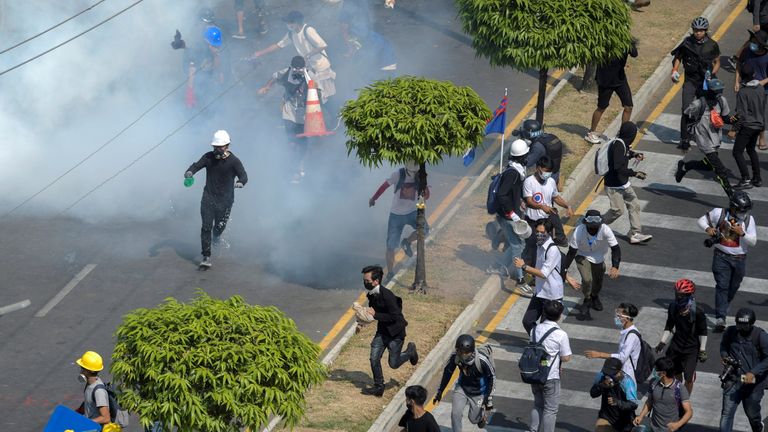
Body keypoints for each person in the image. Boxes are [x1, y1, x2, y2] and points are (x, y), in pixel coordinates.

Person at [184, 130, 248, 269]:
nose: (217, 150)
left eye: (220, 147)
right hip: (208, 198)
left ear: (227, 146)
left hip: (226, 200)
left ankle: (217, 237)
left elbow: (243, 176)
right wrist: (189, 173)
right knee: (206, 226)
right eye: (215, 147)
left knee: (219, 227)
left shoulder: (234, 161)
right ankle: (206, 256)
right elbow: (195, 166)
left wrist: (240, 183)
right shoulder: (208, 157)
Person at [697, 191, 757, 332]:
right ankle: (720, 318)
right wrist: (708, 228)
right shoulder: (719, 213)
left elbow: (753, 241)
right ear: (733, 207)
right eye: (741, 210)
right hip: (721, 257)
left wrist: (742, 233)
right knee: (722, 286)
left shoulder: (749, 220)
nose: (743, 213)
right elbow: (701, 220)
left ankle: (723, 304)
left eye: (745, 210)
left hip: (740, 259)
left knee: (734, 286)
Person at [251, 11, 336, 104]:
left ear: (297, 22)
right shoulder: (291, 34)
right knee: (312, 95)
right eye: (287, 22)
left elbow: (322, 45)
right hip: (308, 68)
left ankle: (338, 113)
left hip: (321, 67)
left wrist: (307, 55)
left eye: (290, 22)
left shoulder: (308, 30)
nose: (288, 24)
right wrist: (259, 53)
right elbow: (278, 45)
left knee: (326, 96)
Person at [360, 265, 418, 397]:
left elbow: (395, 316)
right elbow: (372, 312)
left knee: (393, 363)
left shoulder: (387, 296)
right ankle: (379, 386)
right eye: (364, 280)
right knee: (374, 358)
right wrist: (361, 323)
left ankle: (410, 352)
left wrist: (376, 315)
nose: (365, 283)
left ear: (376, 281)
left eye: (367, 281)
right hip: (382, 332)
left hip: (395, 334)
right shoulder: (371, 294)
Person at [369, 162, 430, 281]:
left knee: (424, 230)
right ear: (407, 169)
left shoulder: (421, 176)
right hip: (396, 215)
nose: (414, 174)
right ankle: (390, 272)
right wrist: (374, 198)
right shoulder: (398, 174)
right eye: (412, 172)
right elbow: (384, 186)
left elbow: (427, 195)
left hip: (412, 211)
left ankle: (406, 242)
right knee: (390, 246)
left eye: (416, 172)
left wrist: (424, 189)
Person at [674, 78, 734, 196]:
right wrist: (684, 139)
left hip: (716, 137)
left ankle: (685, 166)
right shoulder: (698, 103)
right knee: (720, 170)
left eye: (720, 90)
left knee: (708, 165)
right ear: (710, 91)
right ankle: (732, 197)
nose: (719, 93)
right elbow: (685, 117)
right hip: (703, 138)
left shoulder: (722, 101)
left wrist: (735, 120)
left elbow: (726, 118)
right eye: (716, 91)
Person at [671, 17, 721, 151]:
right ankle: (684, 138)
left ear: (705, 30)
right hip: (690, 81)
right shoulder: (687, 43)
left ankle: (698, 132)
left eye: (700, 30)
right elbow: (678, 57)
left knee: (703, 109)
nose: (698, 33)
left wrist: (712, 74)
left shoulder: (712, 44)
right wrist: (674, 70)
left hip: (704, 82)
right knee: (686, 108)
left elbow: (717, 62)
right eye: (695, 30)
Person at [258, 56, 310, 183]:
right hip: (289, 112)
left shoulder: (310, 76)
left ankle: (299, 165)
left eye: (300, 68)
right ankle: (292, 169)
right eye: (296, 68)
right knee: (292, 142)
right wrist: (267, 87)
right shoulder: (286, 72)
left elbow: (317, 92)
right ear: (292, 67)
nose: (298, 71)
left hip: (304, 115)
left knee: (303, 144)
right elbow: (275, 76)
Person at [561, 210, 621, 320]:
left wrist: (615, 266)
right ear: (585, 224)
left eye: (596, 227)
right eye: (591, 227)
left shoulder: (606, 229)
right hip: (582, 255)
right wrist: (564, 269)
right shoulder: (579, 231)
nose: (593, 229)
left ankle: (594, 296)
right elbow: (571, 252)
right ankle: (587, 300)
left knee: (598, 281)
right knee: (587, 279)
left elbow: (616, 248)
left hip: (599, 256)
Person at [486, 139, 529, 290]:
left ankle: (499, 264)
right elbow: (503, 195)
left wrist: (520, 201)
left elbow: (511, 192)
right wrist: (512, 212)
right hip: (509, 216)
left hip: (509, 214)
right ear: (522, 156)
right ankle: (520, 279)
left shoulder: (514, 169)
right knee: (518, 245)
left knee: (517, 243)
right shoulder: (513, 173)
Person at [601, 121, 653, 244]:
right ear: (631, 134)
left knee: (634, 205)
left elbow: (624, 155)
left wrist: (634, 154)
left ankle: (635, 233)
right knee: (617, 211)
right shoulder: (618, 145)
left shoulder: (622, 143)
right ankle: (595, 224)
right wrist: (635, 173)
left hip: (623, 183)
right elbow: (618, 167)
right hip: (614, 185)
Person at [654, 279, 708, 395]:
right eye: (677, 294)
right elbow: (669, 325)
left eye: (681, 295)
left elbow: (703, 332)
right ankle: (677, 393)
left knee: (689, 378)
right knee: (674, 371)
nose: (678, 297)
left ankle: (685, 398)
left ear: (689, 295)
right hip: (676, 345)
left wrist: (702, 350)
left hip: (692, 348)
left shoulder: (697, 311)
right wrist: (662, 342)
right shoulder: (673, 307)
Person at [719, 308, 768, 432]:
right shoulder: (730, 332)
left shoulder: (760, 336)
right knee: (726, 414)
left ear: (751, 324)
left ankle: (758, 427)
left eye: (745, 326)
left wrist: (753, 372)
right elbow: (723, 346)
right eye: (739, 324)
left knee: (752, 414)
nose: (741, 328)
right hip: (733, 380)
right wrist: (725, 356)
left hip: (754, 383)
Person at [433, 334, 495, 431]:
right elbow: (448, 373)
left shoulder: (482, 361)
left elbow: (492, 377)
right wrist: (440, 391)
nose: (461, 355)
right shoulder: (455, 357)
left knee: (473, 419)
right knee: (455, 414)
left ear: (471, 352)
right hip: (462, 388)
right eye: (459, 351)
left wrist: (488, 397)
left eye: (465, 353)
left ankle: (482, 416)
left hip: (479, 392)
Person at [514, 219, 564, 334]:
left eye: (542, 233)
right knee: (527, 321)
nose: (539, 235)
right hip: (539, 292)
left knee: (546, 328)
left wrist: (524, 266)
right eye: (537, 232)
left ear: (549, 233)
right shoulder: (539, 245)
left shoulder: (552, 250)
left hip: (552, 296)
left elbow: (543, 273)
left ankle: (542, 344)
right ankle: (537, 340)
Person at [528, 301, 572, 432]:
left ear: (544, 314)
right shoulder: (561, 334)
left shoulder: (534, 330)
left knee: (538, 405)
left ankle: (533, 430)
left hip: (535, 373)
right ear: (559, 316)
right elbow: (566, 357)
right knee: (550, 410)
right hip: (551, 376)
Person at [585, 39, 638, 144]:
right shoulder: (605, 39)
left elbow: (634, 54)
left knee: (629, 106)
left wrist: (629, 42)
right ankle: (591, 133)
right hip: (605, 80)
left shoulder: (625, 42)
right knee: (602, 107)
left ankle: (623, 134)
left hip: (620, 79)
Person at [522, 156, 573, 256]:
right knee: (533, 245)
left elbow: (556, 197)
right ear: (538, 168)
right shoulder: (529, 182)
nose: (547, 174)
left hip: (547, 218)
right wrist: (541, 207)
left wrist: (568, 206)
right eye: (546, 171)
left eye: (550, 172)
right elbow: (528, 201)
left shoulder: (551, 181)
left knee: (559, 240)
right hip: (534, 220)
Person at [585, 303, 642, 384]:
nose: (616, 318)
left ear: (627, 318)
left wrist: (600, 354)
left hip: (626, 375)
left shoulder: (631, 336)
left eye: (619, 316)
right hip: (619, 371)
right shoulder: (626, 331)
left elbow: (622, 357)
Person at [729, 62, 765, 189]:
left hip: (748, 126)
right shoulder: (760, 88)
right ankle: (757, 178)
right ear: (754, 74)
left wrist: (734, 129)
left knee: (737, 152)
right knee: (751, 150)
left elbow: (741, 114)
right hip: (758, 125)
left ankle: (745, 179)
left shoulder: (743, 92)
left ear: (741, 77)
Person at [633, 357, 693, 432]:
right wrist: (641, 416)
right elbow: (649, 401)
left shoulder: (679, 388)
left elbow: (689, 412)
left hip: (670, 430)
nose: (654, 371)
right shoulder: (653, 383)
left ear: (663, 373)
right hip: (653, 428)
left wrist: (677, 425)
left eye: (656, 369)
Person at [734, 29, 768, 151]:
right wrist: (736, 81)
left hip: (761, 90)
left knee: (759, 114)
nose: (751, 43)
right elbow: (738, 65)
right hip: (744, 86)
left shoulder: (766, 56)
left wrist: (761, 83)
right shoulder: (746, 51)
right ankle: (739, 132)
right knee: (741, 110)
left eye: (754, 41)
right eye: (751, 40)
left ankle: (761, 137)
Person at [590, 357, 639, 432]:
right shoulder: (601, 376)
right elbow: (592, 394)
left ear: (619, 372)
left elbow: (634, 404)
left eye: (612, 374)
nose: (608, 376)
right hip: (606, 417)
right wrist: (601, 386)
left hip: (624, 421)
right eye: (606, 373)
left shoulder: (627, 382)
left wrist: (618, 402)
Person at [75, 351, 110, 426]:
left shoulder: (99, 392)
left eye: (83, 368)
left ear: (90, 370)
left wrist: (87, 422)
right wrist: (77, 412)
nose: (81, 371)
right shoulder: (89, 384)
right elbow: (89, 401)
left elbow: (106, 418)